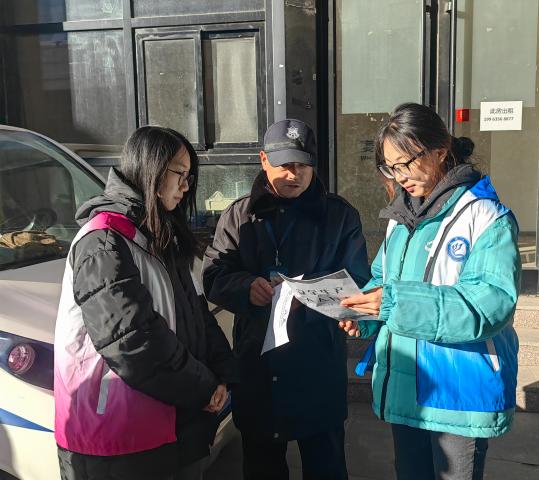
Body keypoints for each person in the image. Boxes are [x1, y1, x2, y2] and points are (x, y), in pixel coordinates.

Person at [339, 103, 521, 480]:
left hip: (458, 391)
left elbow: (489, 304)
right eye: (391, 167)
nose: (400, 176)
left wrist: (393, 303)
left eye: (406, 163)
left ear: (440, 151)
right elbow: (383, 279)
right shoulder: (401, 217)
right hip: (405, 383)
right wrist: (365, 313)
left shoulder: (485, 216)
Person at [54, 126, 236, 480]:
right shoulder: (104, 242)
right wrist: (203, 388)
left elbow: (197, 314)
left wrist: (223, 374)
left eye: (189, 177)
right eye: (180, 174)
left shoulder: (161, 235)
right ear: (151, 169)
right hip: (119, 440)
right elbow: (132, 342)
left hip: (175, 425)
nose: (186, 187)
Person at [202, 119, 369, 480]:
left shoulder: (339, 216)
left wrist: (320, 300)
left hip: (318, 364)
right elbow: (214, 275)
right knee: (262, 467)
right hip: (259, 368)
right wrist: (246, 287)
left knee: (326, 467)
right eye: (284, 165)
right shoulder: (239, 215)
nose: (293, 174)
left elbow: (359, 281)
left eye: (302, 165)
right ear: (264, 160)